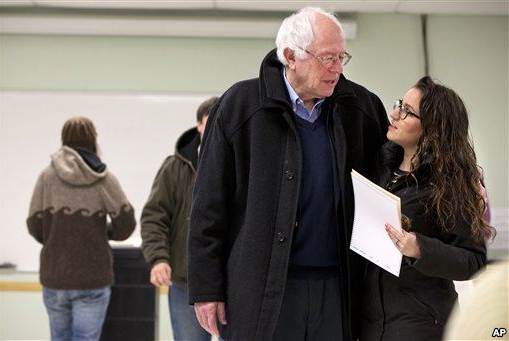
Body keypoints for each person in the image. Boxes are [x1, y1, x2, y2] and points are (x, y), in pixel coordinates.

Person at [188, 7, 389, 341]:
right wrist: (206, 287)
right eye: (327, 58)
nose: (337, 69)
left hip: (340, 288)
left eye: (342, 57)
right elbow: (208, 205)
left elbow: (391, 182)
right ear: (290, 56)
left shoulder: (362, 109)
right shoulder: (240, 106)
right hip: (263, 289)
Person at [360, 76, 496, 341]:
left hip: (421, 325)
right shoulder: (381, 166)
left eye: (407, 111)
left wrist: (420, 248)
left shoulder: (451, 183)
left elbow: (474, 261)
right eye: (400, 104)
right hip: (371, 323)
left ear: (432, 130)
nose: (395, 114)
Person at [27, 116, 136, 341]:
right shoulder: (104, 178)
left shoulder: (46, 177)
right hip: (93, 278)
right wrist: (99, 231)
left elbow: (34, 224)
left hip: (55, 277)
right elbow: (126, 225)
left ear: (63, 140)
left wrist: (58, 236)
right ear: (93, 141)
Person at [141, 96, 218, 341]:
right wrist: (158, 258)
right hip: (187, 285)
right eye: (210, 124)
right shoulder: (175, 167)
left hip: (235, 285)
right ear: (199, 125)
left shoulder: (245, 164)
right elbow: (154, 217)